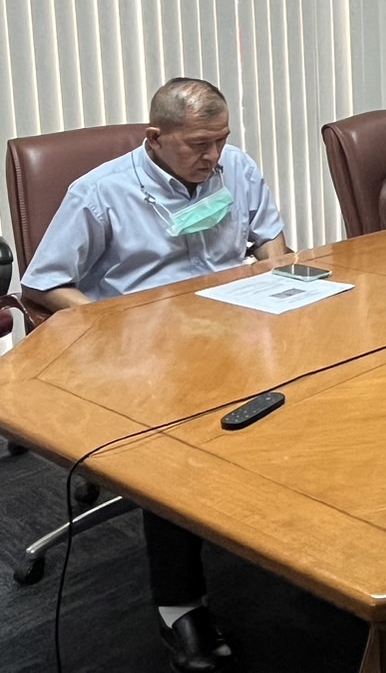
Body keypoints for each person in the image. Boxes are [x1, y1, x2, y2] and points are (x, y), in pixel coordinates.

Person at [21, 77, 289, 673]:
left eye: (221, 140)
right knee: (178, 448)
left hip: (236, 333)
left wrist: (280, 282)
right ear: (155, 137)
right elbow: (44, 282)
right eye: (198, 145)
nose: (213, 156)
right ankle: (180, 606)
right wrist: (110, 321)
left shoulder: (236, 168)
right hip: (145, 354)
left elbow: (270, 238)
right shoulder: (100, 193)